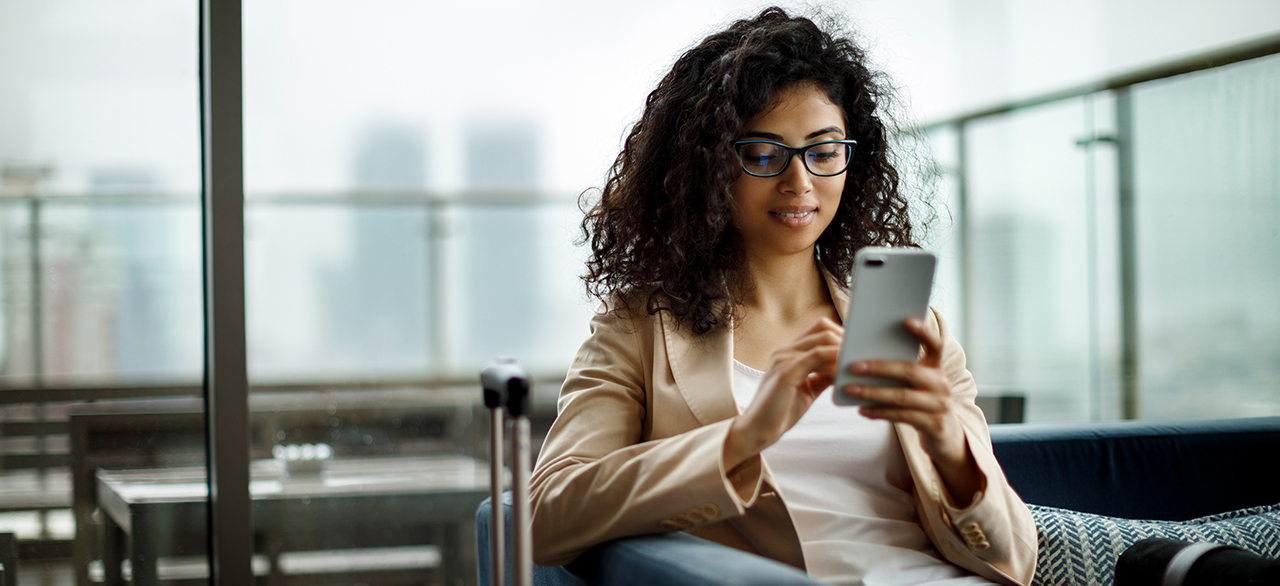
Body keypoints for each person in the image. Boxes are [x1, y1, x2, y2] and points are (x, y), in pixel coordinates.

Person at [529, 7, 1037, 586]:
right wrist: (745, 437)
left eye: (822, 152)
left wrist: (951, 450)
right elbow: (546, 517)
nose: (800, 183)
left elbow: (1015, 560)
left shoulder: (918, 330)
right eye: (764, 154)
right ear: (710, 165)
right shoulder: (638, 327)